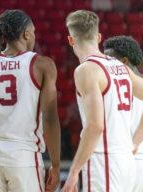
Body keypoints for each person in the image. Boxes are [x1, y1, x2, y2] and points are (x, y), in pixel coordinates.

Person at [0, 9, 61, 192]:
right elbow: (50, 118)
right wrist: (55, 164)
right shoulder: (42, 65)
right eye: (34, 32)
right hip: (24, 157)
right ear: (26, 34)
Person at [61, 10, 143, 192]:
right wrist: (136, 140)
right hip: (127, 161)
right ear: (98, 37)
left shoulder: (86, 70)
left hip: (103, 160)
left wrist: (74, 171)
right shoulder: (120, 66)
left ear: (71, 40)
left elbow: (95, 126)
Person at [103, 35, 143, 192]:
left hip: (130, 159)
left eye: (109, 60)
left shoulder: (108, 88)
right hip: (120, 158)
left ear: (125, 62)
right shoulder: (108, 86)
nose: (105, 64)